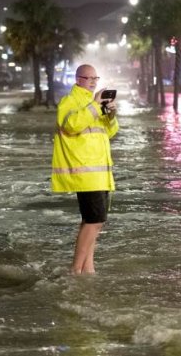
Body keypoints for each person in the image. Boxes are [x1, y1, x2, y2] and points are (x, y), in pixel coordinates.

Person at [51, 64, 118, 274]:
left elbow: (110, 132)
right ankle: (76, 270)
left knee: (93, 222)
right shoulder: (69, 101)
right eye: (88, 78)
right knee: (95, 221)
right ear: (78, 79)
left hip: (99, 173)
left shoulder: (93, 103)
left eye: (95, 78)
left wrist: (110, 115)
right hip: (85, 173)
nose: (93, 81)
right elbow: (70, 125)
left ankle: (88, 269)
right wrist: (95, 105)